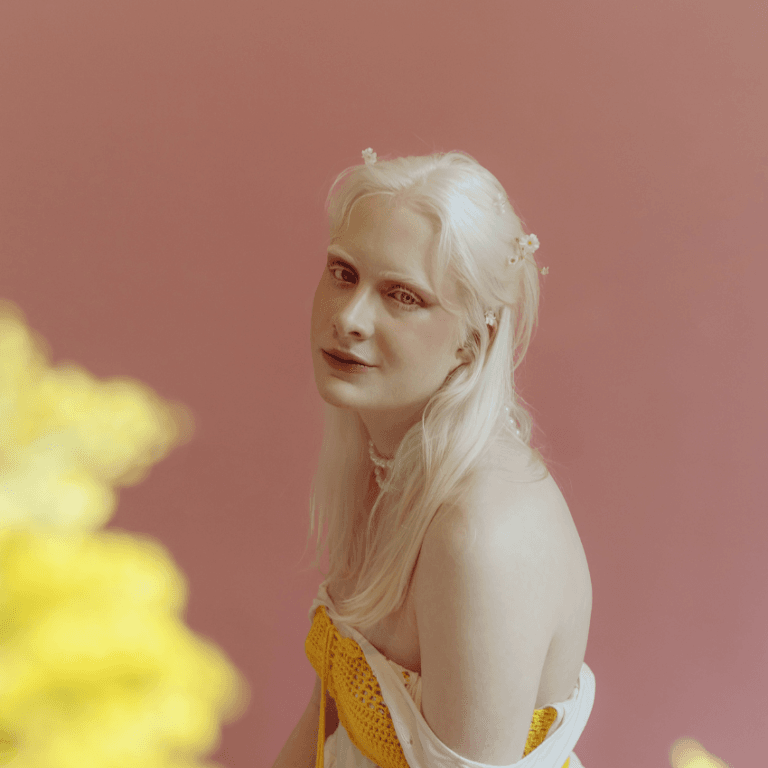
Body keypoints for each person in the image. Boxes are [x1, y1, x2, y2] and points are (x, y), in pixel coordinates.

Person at [272, 148, 594, 768]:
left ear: (475, 339)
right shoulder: (388, 465)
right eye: (343, 273)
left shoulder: (478, 536)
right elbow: (324, 722)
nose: (349, 318)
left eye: (403, 296)